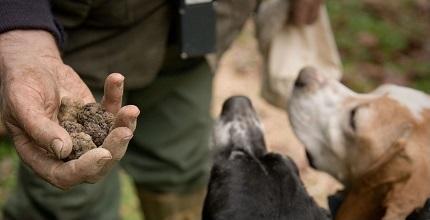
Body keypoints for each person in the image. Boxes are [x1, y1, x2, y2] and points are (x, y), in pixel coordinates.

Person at [0, 0, 323, 219]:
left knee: (181, 173)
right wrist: (20, 26)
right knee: (66, 205)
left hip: (195, 33)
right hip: (73, 46)